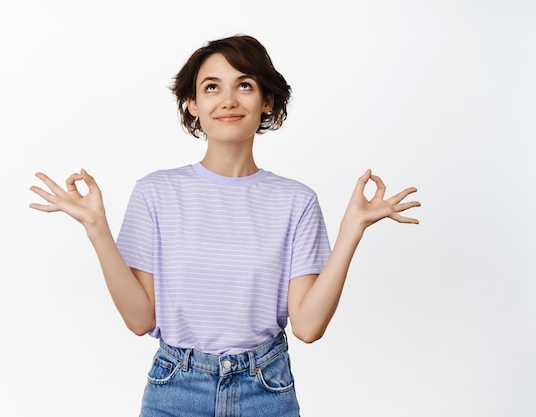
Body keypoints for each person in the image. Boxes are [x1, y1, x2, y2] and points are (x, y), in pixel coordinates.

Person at [30, 34, 420, 417]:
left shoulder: (296, 201)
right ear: (192, 103)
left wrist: (352, 228)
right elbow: (140, 320)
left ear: (267, 101)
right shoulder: (155, 193)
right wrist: (97, 228)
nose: (229, 100)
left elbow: (308, 326)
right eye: (212, 87)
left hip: (266, 390)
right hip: (175, 389)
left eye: (244, 85)